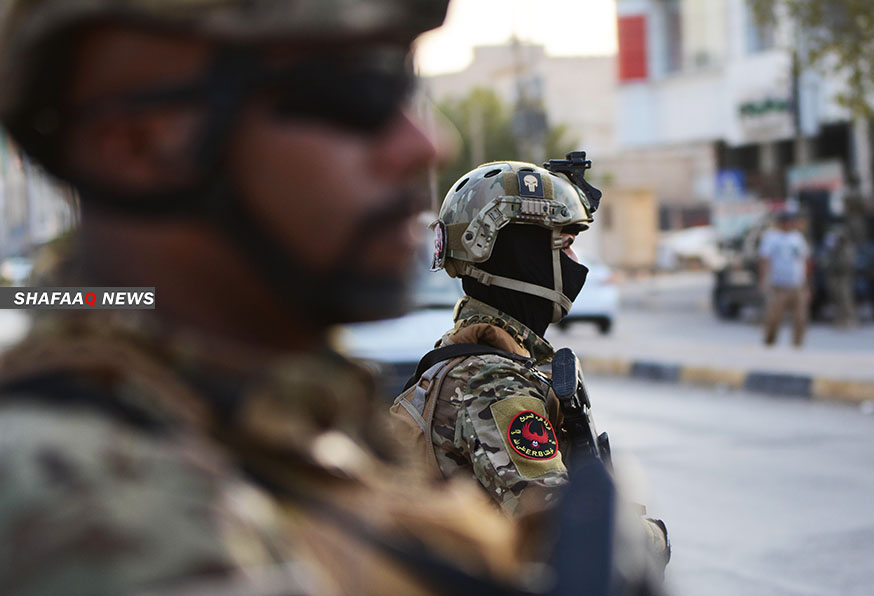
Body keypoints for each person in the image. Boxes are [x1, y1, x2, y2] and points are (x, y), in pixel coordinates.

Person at [0, 2, 561, 594]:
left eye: (404, 91)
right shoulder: (92, 507)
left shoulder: (255, 422)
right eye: (353, 96)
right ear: (139, 143)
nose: (426, 144)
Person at [389, 159, 671, 569]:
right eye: (565, 242)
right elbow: (568, 539)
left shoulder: (466, 355)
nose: (576, 261)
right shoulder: (493, 383)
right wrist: (653, 537)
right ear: (519, 252)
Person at [759, 209, 811, 347]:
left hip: (797, 284)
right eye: (787, 222)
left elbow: (804, 260)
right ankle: (769, 341)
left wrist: (807, 282)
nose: (789, 224)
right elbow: (765, 260)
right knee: (774, 317)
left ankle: (797, 344)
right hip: (779, 285)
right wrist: (764, 280)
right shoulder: (771, 237)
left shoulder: (797, 238)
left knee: (801, 317)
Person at [825, 223, 857, 329]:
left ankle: (849, 319)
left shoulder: (848, 248)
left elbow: (847, 264)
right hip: (835, 275)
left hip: (844, 276)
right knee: (836, 298)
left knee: (845, 298)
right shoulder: (834, 248)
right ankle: (839, 319)